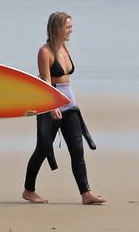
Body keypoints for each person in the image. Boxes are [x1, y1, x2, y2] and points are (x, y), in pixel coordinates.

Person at [22, 12, 105, 205]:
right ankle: (28, 190)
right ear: (57, 28)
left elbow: (66, 80)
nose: (71, 30)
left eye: (71, 26)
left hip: (70, 104)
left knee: (77, 150)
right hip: (51, 103)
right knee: (42, 149)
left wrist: (68, 103)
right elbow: (46, 82)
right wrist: (52, 106)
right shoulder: (45, 52)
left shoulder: (65, 48)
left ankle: (86, 194)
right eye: (68, 27)